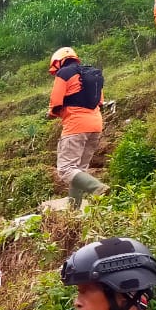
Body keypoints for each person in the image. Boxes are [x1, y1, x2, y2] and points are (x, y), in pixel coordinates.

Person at [48, 47, 109, 210]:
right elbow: (100, 102)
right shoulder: (93, 74)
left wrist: (53, 113)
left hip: (76, 125)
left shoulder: (64, 74)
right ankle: (73, 211)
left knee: (66, 170)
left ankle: (97, 187)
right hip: (96, 125)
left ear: (59, 62)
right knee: (79, 170)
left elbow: (55, 103)